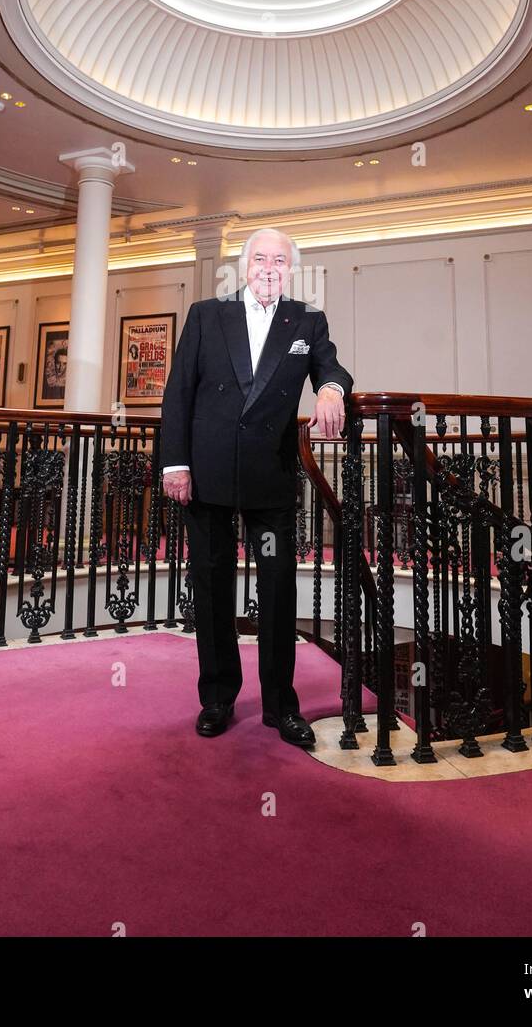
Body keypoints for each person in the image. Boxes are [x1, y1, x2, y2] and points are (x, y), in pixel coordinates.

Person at [160, 227, 352, 746]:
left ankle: (280, 706)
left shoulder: (306, 320)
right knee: (212, 586)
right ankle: (218, 698)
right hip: (208, 470)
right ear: (244, 265)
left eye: (280, 261)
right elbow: (179, 391)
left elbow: (329, 368)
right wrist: (174, 463)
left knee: (278, 592)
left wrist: (332, 390)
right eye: (260, 258)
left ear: (291, 269)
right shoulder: (206, 314)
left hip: (270, 474)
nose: (269, 268)